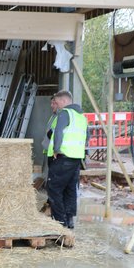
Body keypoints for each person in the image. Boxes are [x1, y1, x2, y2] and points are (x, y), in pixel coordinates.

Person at [47, 90, 87, 229]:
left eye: (57, 102)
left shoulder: (65, 113)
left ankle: (60, 222)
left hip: (63, 157)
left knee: (54, 188)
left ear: (64, 101)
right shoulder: (81, 116)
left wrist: (56, 149)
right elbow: (86, 137)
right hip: (76, 159)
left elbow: (58, 132)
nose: (56, 105)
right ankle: (69, 221)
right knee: (70, 189)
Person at [41, 95, 59, 187]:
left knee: (53, 177)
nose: (51, 105)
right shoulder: (53, 116)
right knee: (49, 176)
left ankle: (51, 200)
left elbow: (53, 134)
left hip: (54, 153)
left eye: (54, 103)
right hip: (48, 151)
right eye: (51, 103)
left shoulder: (59, 117)